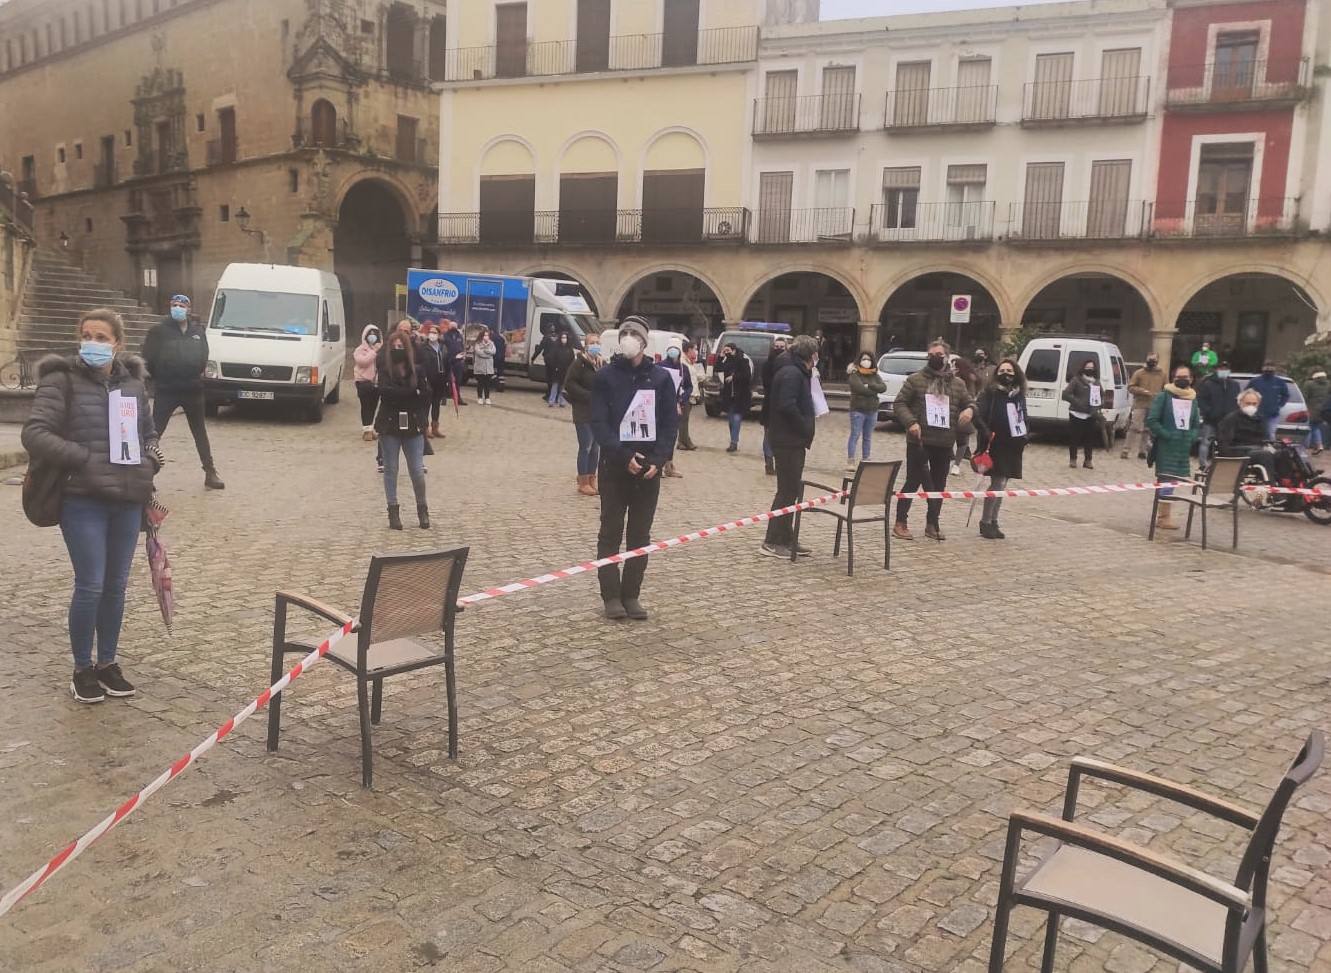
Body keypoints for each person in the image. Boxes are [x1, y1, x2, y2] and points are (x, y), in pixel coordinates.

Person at [22, 308, 162, 703]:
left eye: (102, 337)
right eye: (87, 335)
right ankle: (82, 668)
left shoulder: (133, 385)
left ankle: (107, 663)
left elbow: (149, 435)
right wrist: (82, 457)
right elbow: (35, 433)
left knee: (116, 586)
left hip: (127, 499)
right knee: (91, 585)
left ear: (118, 343)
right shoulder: (60, 379)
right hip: (82, 499)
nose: (93, 343)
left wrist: (149, 461)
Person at [590, 317, 678, 621]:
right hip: (615, 466)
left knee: (640, 534)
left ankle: (631, 594)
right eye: (624, 333)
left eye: (634, 334)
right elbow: (598, 423)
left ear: (644, 341)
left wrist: (659, 458)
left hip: (648, 468)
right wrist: (621, 454)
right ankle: (611, 595)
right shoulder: (605, 377)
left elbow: (669, 423)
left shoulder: (661, 379)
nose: (628, 338)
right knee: (610, 531)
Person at [893, 339, 975, 542]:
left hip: (945, 442)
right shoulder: (916, 379)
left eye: (938, 355)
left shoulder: (957, 384)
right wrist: (911, 422)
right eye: (931, 355)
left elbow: (970, 402)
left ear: (947, 357)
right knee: (913, 482)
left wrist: (970, 410)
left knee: (938, 485)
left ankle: (932, 523)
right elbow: (900, 403)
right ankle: (900, 522)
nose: (935, 358)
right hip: (919, 441)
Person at [141, 294, 223, 490]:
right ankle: (145, 474)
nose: (178, 308)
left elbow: (204, 356)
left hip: (192, 389)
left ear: (188, 308)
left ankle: (210, 472)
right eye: (174, 305)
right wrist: (159, 377)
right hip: (167, 389)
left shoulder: (197, 331)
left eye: (182, 305)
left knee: (200, 432)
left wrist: (193, 372)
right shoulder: (158, 331)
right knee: (154, 432)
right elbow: (148, 359)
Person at [761, 335, 818, 558]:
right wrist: (804, 425)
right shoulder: (792, 373)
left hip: (793, 441)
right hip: (787, 440)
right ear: (811, 355)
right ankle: (772, 540)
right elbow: (786, 405)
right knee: (786, 492)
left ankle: (787, 537)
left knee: (792, 491)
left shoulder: (796, 372)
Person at [375, 329, 431, 530]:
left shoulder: (417, 370)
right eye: (394, 347)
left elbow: (425, 395)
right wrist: (410, 392)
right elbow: (385, 393)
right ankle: (393, 510)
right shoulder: (384, 370)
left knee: (417, 470)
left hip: (413, 424)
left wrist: (408, 394)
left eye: (401, 346)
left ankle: (422, 509)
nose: (397, 350)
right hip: (390, 424)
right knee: (391, 469)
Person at [973, 359, 1030, 540]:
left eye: (1010, 370)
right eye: (1003, 370)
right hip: (996, 444)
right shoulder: (990, 393)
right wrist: (987, 433)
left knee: (1003, 485)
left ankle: (994, 521)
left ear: (1016, 374)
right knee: (997, 484)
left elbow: (1024, 416)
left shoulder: (1018, 395)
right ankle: (986, 522)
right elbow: (978, 416)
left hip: (1013, 445)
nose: (1006, 373)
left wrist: (1026, 434)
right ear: (997, 372)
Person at [1146, 365, 1201, 532]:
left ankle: (1165, 515)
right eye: (1178, 376)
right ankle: (1163, 517)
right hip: (1166, 447)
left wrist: (1191, 437)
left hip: (1183, 448)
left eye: (1185, 376)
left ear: (1191, 379)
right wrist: (1167, 435)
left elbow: (1195, 424)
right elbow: (1152, 420)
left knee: (1174, 481)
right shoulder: (1164, 396)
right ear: (1173, 378)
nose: (1182, 379)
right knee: (1165, 480)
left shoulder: (1192, 398)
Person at [563, 336, 603, 497]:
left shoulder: (600, 363)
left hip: (598, 412)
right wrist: (588, 395)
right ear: (586, 346)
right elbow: (570, 384)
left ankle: (592, 479)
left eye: (597, 343)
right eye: (592, 343)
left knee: (596, 448)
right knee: (585, 446)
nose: (595, 346)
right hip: (582, 411)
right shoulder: (578, 363)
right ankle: (583, 481)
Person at [1196, 360, 1241, 468]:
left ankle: (1223, 464)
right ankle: (1203, 464)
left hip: (1228, 421)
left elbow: (1239, 400)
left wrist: (1235, 414)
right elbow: (1201, 400)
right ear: (1216, 370)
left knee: (1226, 443)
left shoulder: (1235, 385)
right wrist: (1209, 412)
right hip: (1211, 420)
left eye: (1226, 369)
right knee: (1206, 442)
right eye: (1221, 369)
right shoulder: (1208, 384)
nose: (1224, 371)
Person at [1061, 359, 1104, 469]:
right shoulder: (1076, 380)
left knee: (1089, 439)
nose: (1090, 369)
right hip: (1076, 414)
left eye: (1092, 367)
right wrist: (1078, 403)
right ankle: (1073, 459)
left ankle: (1088, 460)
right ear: (1083, 368)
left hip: (1090, 415)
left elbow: (1101, 396)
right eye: (1088, 367)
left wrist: (1098, 406)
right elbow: (1066, 394)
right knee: (1075, 438)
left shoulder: (1097, 382)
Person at [846, 352, 885, 472]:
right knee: (855, 435)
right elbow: (859, 388)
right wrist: (873, 390)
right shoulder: (854, 374)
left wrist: (870, 385)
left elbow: (883, 387)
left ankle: (866, 459)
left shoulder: (875, 374)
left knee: (867, 437)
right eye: (864, 359)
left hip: (872, 410)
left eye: (868, 359)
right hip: (858, 410)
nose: (866, 361)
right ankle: (851, 460)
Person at [1123, 353, 1166, 459]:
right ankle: (1126, 449)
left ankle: (1142, 451)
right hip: (1140, 403)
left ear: (1157, 361)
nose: (1152, 361)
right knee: (1134, 426)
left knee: (1148, 429)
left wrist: (1161, 397)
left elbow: (1166, 389)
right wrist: (1142, 391)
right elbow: (1131, 387)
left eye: (1154, 360)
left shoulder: (1162, 374)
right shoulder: (1139, 373)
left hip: (1154, 405)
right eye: (1150, 359)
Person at [658, 345, 692, 479]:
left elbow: (688, 386)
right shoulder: (659, 366)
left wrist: (681, 400)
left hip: (676, 405)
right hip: (662, 405)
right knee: (661, 435)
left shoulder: (684, 369)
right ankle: (658, 464)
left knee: (672, 436)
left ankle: (669, 465)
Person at [758, 336, 789, 474]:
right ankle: (769, 463)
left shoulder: (789, 364)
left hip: (783, 405)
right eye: (776, 346)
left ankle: (780, 463)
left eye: (782, 347)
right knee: (768, 435)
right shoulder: (767, 364)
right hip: (770, 404)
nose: (779, 349)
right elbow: (766, 383)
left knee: (781, 436)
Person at [716, 341, 753, 453]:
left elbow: (747, 376)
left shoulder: (743, 360)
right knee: (731, 420)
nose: (726, 352)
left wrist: (734, 377)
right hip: (729, 396)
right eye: (725, 350)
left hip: (741, 395)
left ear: (734, 350)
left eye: (728, 351)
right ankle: (733, 439)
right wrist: (720, 357)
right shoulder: (727, 360)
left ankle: (733, 442)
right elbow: (718, 368)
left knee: (736, 419)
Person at [950, 355, 981, 474]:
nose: (951, 368)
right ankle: (953, 461)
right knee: (952, 439)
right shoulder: (951, 378)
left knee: (962, 441)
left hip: (964, 412)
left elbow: (971, 397)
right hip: (953, 412)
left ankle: (956, 464)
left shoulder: (967, 380)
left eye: (953, 366)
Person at [1246, 361, 1289, 441]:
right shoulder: (1255, 381)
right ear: (1262, 368)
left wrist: (1279, 405)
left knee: (1270, 435)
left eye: (1271, 367)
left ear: (1274, 368)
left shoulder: (1280, 382)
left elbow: (1285, 395)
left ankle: (1271, 452)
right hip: (1257, 414)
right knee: (1256, 435)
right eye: (1267, 367)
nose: (1268, 369)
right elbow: (1246, 394)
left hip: (1273, 415)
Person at [420, 323, 450, 438]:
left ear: (439, 334)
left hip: (441, 379)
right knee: (426, 404)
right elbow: (421, 364)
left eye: (435, 332)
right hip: (428, 379)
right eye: (431, 332)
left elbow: (447, 362)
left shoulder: (443, 347)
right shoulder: (424, 347)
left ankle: (435, 427)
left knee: (436, 404)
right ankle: (425, 428)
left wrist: (447, 377)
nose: (432, 334)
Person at [353, 325, 381, 442]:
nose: (372, 336)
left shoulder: (381, 349)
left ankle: (370, 428)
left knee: (374, 406)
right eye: (370, 334)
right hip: (363, 382)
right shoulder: (359, 350)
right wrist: (374, 352)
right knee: (366, 406)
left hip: (377, 382)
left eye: (375, 334)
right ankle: (366, 431)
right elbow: (363, 362)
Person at [677, 341, 706, 452]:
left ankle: (683, 441)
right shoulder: (682, 362)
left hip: (692, 393)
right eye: (694, 349)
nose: (695, 351)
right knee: (683, 419)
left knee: (685, 419)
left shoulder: (691, 362)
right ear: (688, 350)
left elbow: (697, 377)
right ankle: (684, 441)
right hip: (685, 394)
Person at [442, 319, 467, 408]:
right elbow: (443, 349)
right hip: (447, 361)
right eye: (452, 326)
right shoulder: (445, 336)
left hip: (458, 362)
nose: (453, 328)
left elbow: (462, 346)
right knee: (445, 380)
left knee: (457, 381)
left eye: (455, 326)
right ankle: (443, 398)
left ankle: (458, 398)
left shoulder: (459, 336)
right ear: (449, 327)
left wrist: (463, 355)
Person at [546, 330, 574, 408]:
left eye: (565, 337)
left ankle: (562, 401)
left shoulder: (570, 349)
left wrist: (569, 369)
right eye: (562, 337)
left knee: (563, 387)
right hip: (557, 370)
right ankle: (551, 401)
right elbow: (552, 358)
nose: (564, 339)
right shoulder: (556, 348)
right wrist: (555, 367)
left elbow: (572, 360)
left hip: (565, 371)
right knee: (555, 386)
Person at [1305, 369, 1329, 454]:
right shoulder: (1328, 384)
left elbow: (1306, 397)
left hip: (1311, 409)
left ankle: (1306, 447)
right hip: (1323, 411)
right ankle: (1319, 445)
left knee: (1307, 427)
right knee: (1315, 427)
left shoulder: (1309, 384)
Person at [473, 329, 497, 405]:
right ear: (482, 336)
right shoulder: (477, 344)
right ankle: (479, 397)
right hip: (480, 367)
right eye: (485, 335)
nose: (486, 337)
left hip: (489, 367)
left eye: (487, 335)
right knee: (480, 383)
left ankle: (487, 398)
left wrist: (486, 351)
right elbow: (479, 353)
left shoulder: (492, 343)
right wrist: (488, 353)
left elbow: (494, 352)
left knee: (487, 384)